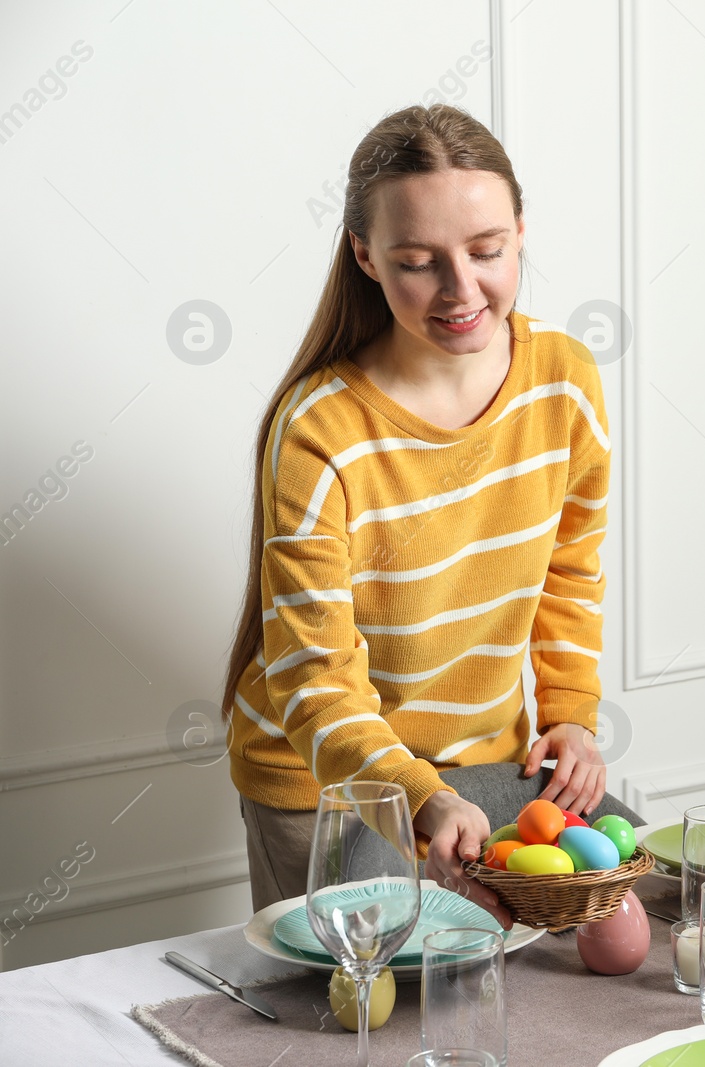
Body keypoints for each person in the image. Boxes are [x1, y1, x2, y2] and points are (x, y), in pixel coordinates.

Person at [221, 104, 610, 928]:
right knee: (352, 1023)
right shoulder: (321, 429)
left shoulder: (565, 380)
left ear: (520, 233)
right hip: (323, 779)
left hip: (488, 766)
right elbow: (314, 675)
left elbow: (571, 569)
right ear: (365, 255)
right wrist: (418, 796)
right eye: (418, 262)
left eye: (487, 250)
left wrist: (572, 715)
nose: (462, 290)